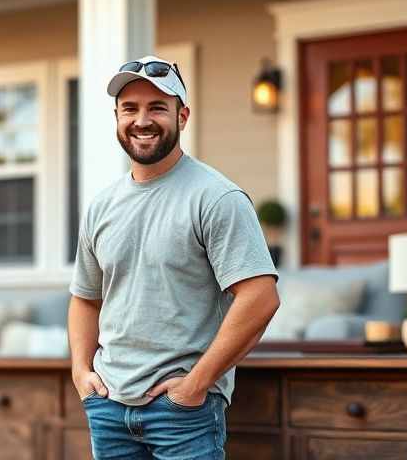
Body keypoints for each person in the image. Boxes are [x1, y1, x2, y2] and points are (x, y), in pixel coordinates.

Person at [68, 55, 280, 460]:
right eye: (130, 108)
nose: (141, 120)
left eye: (157, 108)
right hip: (109, 405)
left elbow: (260, 298)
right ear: (116, 117)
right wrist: (82, 372)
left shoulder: (216, 198)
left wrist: (197, 383)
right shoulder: (101, 206)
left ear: (182, 117)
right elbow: (85, 298)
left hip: (181, 413)